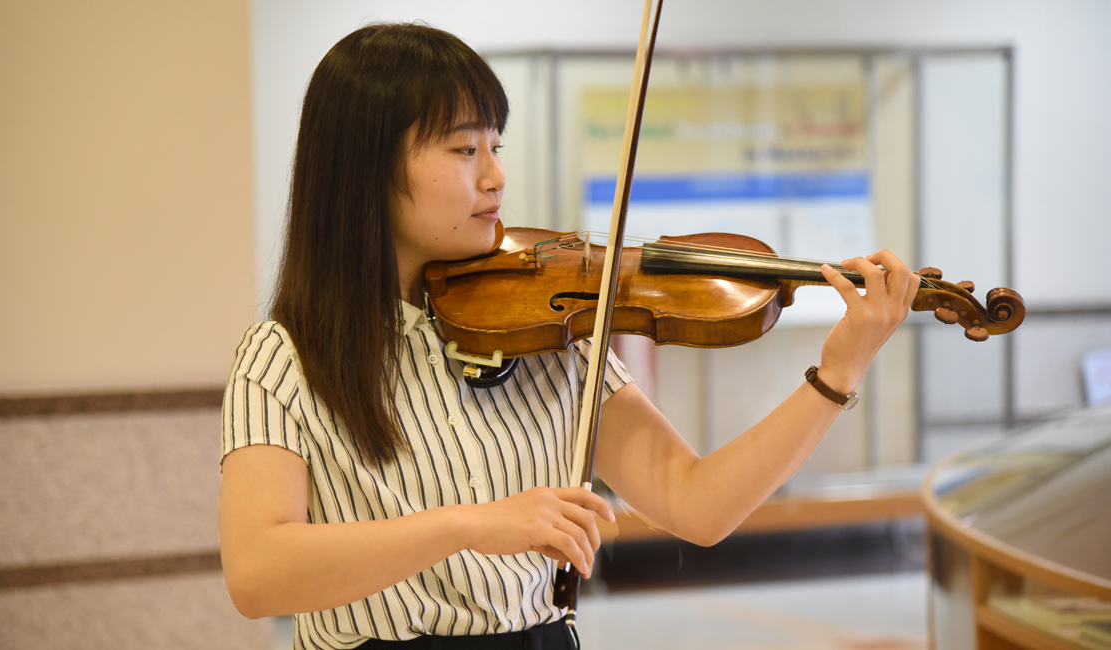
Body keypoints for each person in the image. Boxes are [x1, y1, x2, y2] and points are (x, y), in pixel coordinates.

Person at [218, 22, 921, 650]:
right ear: (366, 171)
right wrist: (466, 525)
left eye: (496, 145)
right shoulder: (283, 358)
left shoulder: (547, 329)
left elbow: (698, 503)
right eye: (465, 149)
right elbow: (257, 576)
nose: (496, 176)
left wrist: (838, 374)